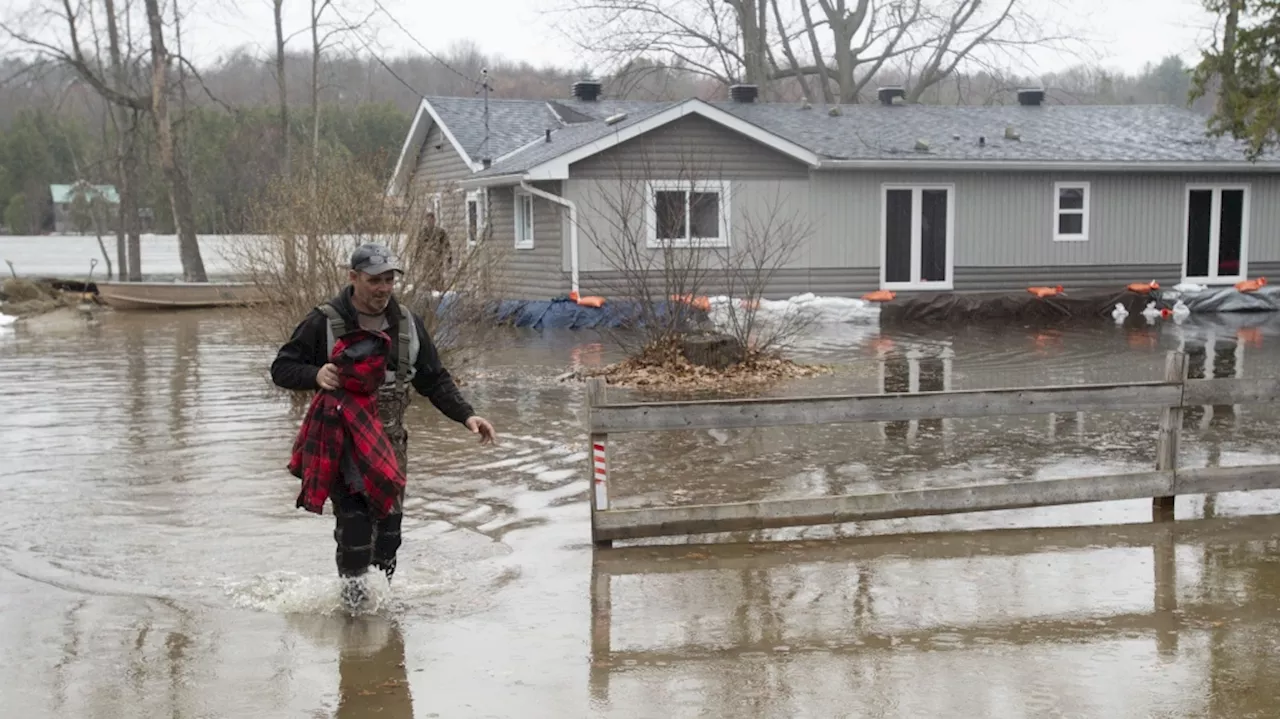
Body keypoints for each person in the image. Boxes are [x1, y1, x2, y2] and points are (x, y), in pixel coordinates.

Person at [271, 242, 496, 601]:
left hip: (390, 442)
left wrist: (466, 415)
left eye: (389, 280)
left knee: (390, 532)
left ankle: (381, 607)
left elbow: (434, 379)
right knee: (355, 529)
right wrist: (315, 374)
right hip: (343, 441)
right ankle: (354, 610)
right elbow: (281, 368)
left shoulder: (408, 323)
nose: (383, 288)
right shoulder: (324, 320)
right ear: (353, 277)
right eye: (375, 280)